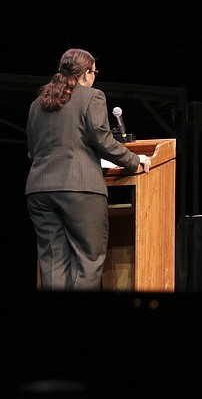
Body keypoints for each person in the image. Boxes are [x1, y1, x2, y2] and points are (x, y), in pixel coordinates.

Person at [26, 48, 152, 291]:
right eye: (94, 72)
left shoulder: (36, 104)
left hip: (39, 191)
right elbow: (104, 142)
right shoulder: (92, 96)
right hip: (79, 188)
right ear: (86, 74)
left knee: (52, 261)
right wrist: (136, 160)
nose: (95, 77)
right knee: (88, 260)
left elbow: (33, 151)